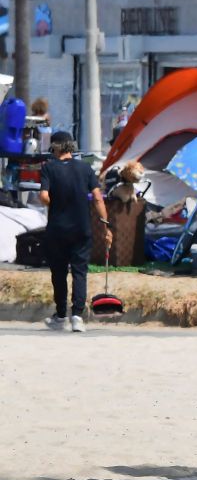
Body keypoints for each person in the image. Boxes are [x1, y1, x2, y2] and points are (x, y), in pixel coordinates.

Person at [39, 131, 113, 333]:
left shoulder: (48, 168)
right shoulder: (85, 168)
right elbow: (98, 198)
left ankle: (61, 315)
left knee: (59, 273)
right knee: (80, 272)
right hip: (82, 228)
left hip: (57, 229)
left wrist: (55, 204)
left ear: (55, 147)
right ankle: (78, 317)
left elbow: (44, 196)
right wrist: (106, 226)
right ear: (71, 146)